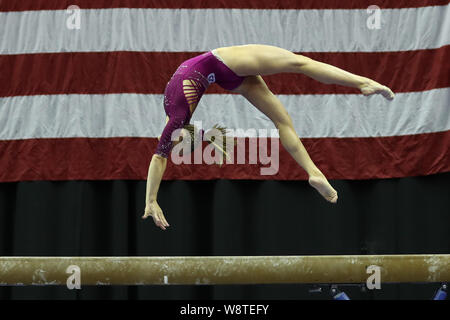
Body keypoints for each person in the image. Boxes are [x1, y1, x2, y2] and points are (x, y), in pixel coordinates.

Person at [142, 44, 395, 230]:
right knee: (289, 96)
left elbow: (159, 158)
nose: (170, 146)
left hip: (221, 63)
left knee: (297, 70)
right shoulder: (174, 118)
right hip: (224, 69)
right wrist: (151, 199)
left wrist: (152, 200)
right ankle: (314, 171)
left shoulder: (174, 119)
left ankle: (361, 84)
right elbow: (161, 155)